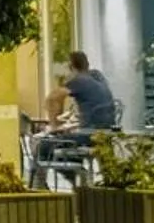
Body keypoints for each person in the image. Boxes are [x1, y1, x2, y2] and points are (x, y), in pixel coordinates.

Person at [29, 51, 120, 188]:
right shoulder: (98, 77)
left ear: (71, 67)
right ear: (87, 64)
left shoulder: (79, 80)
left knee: (44, 144)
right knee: (64, 145)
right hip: (105, 133)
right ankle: (77, 179)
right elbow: (94, 107)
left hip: (89, 135)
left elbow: (51, 99)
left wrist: (54, 125)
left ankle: (39, 186)